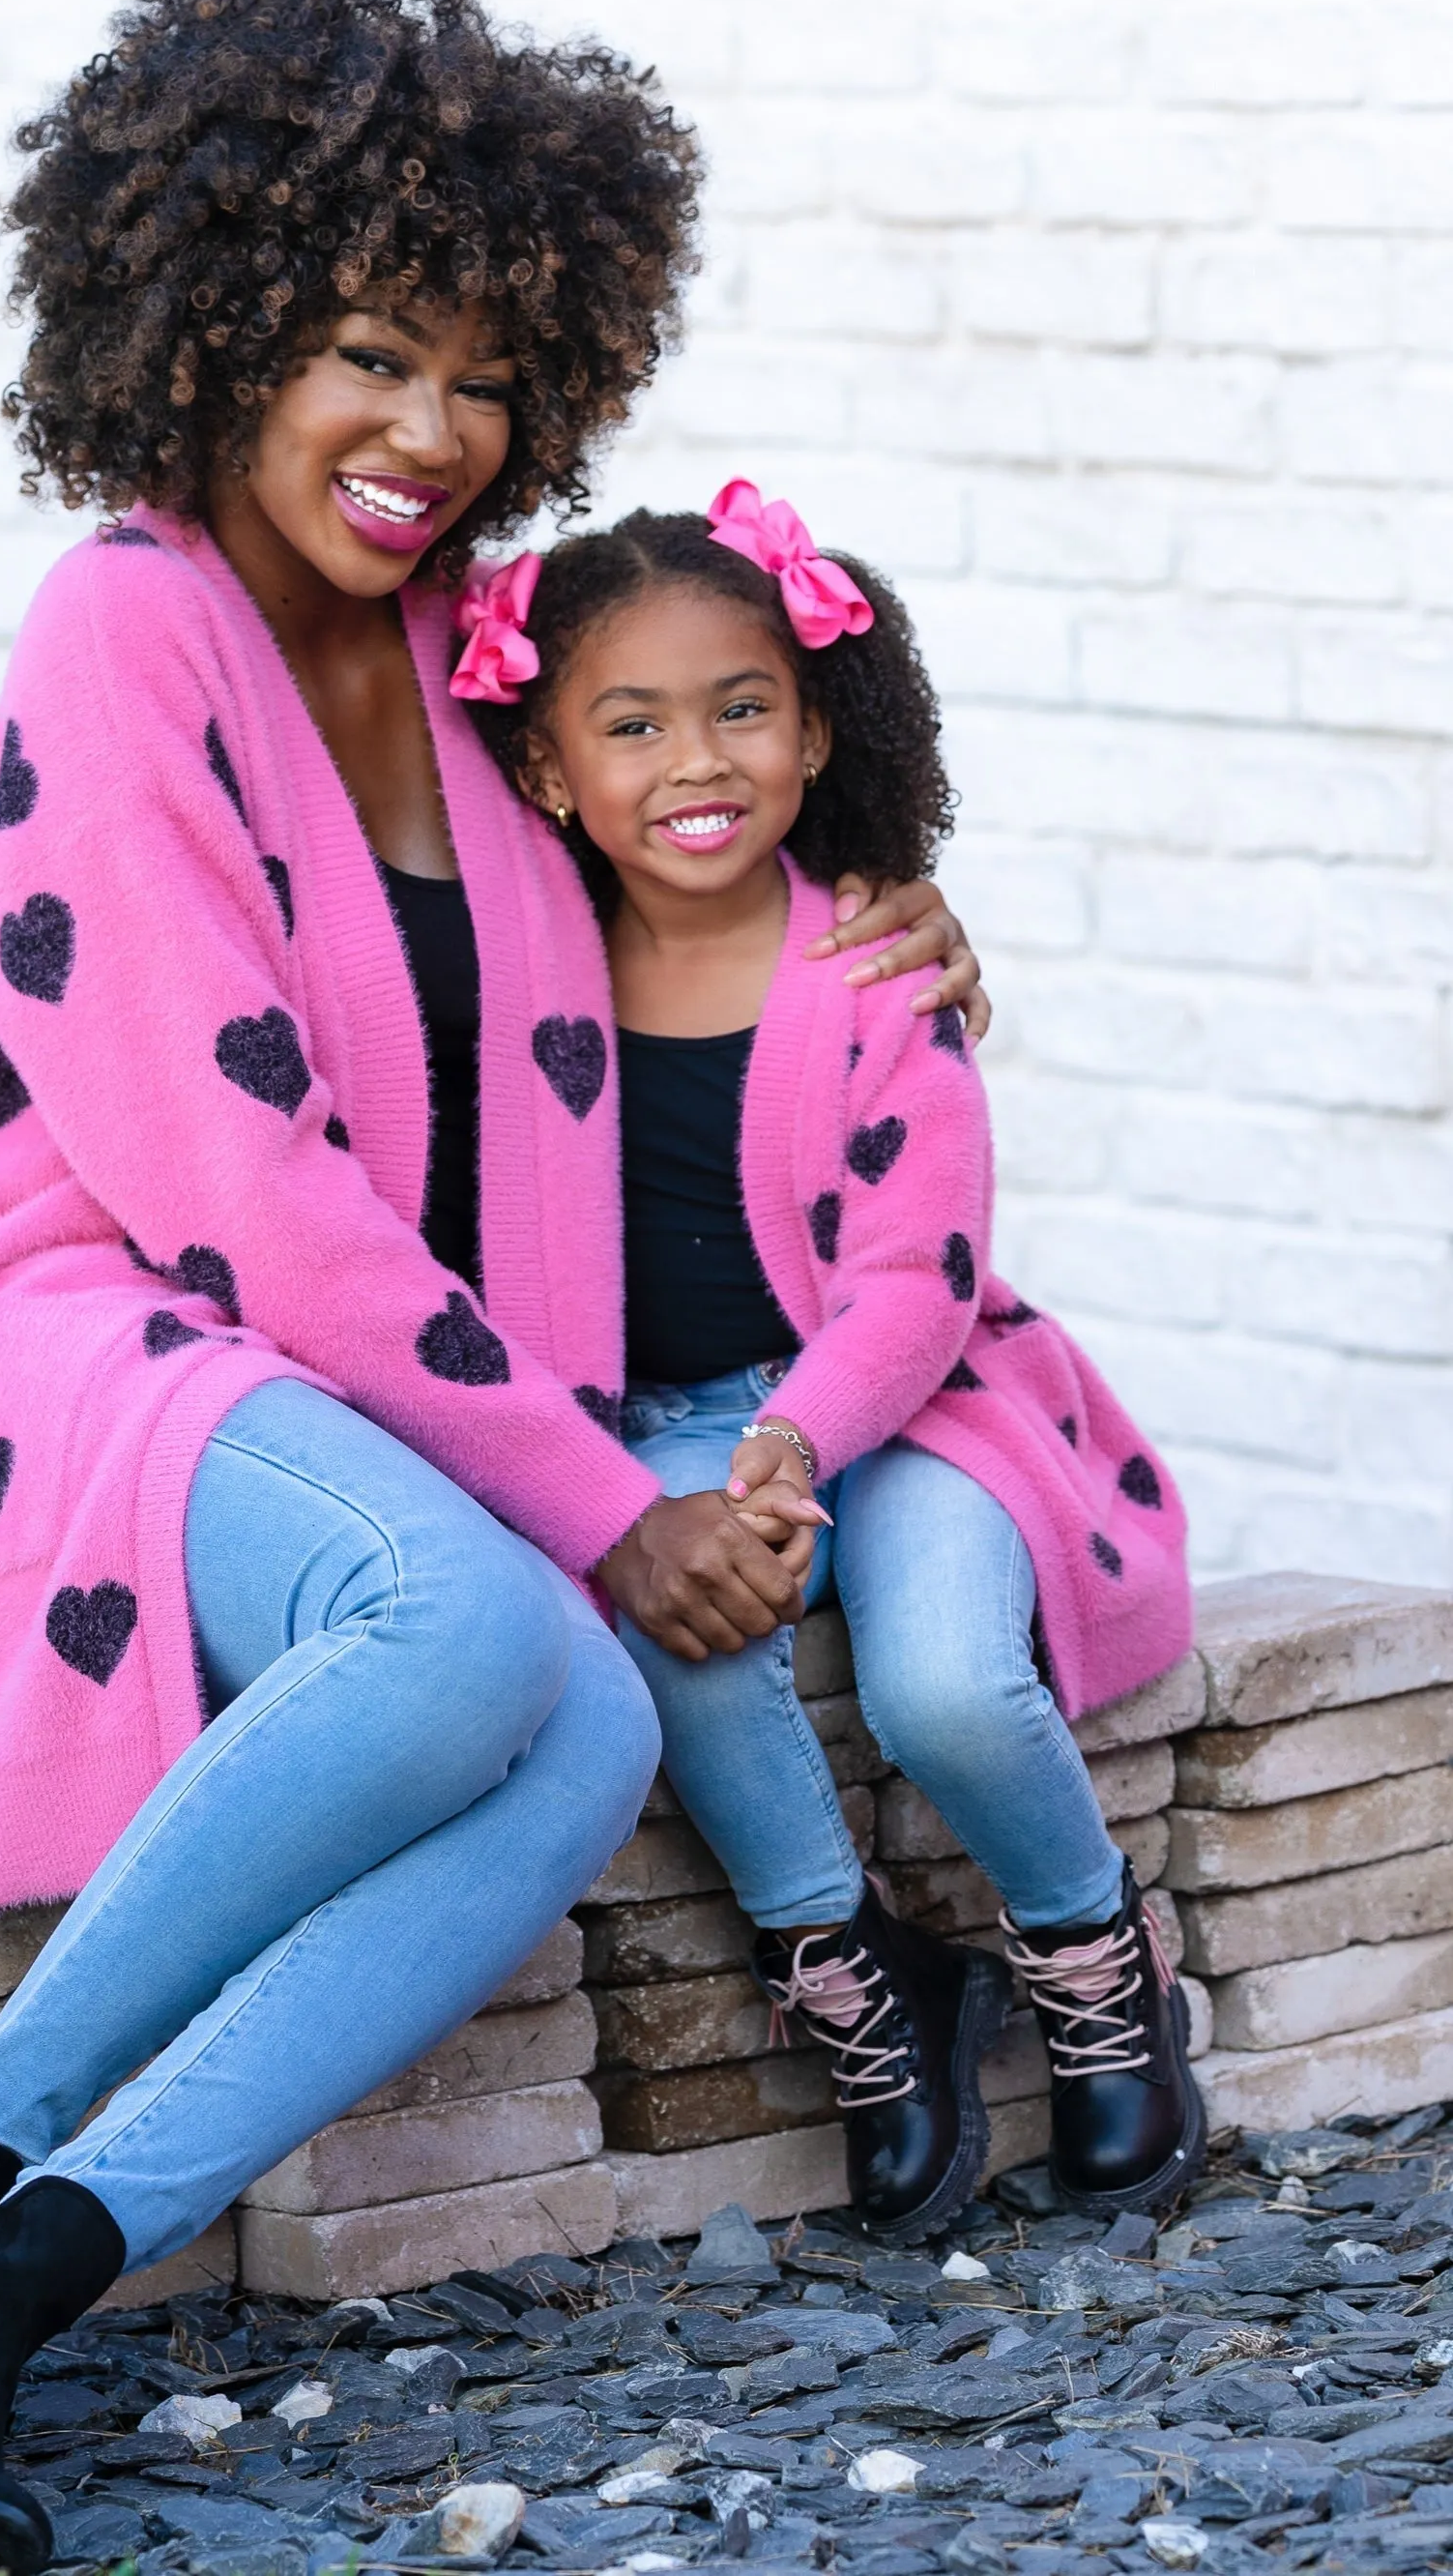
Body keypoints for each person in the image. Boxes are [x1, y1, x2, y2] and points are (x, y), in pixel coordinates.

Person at [0, 0, 985, 2569]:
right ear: (219, 321)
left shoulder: (458, 653)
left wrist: (872, 916)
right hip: (81, 1318)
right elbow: (243, 1183)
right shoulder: (125, 629)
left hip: (315, 1359)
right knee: (490, 1625)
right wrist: (602, 1504)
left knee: (588, 1725)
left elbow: (663, 876)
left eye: (490, 377)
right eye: (373, 352)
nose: (431, 435)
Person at [460, 484, 1203, 2247]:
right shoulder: (518, 981)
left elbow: (914, 1278)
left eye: (740, 706)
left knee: (947, 1681)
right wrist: (698, 1482)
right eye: (628, 723)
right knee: (692, 1636)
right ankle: (868, 1980)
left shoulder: (875, 965)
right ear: (552, 769)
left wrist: (792, 1440)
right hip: (654, 1434)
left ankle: (1097, 1962)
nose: (691, 757)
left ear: (812, 727)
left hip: (911, 1412)